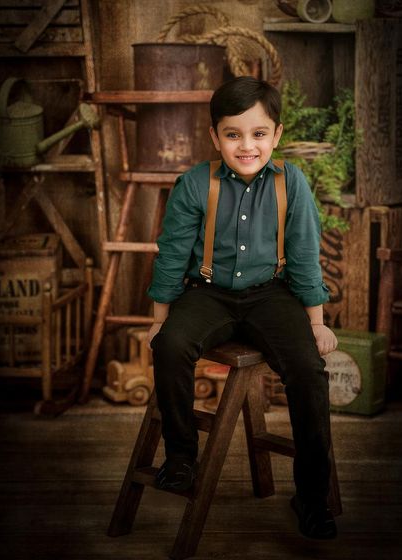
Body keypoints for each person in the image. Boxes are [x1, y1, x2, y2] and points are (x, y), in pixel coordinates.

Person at [147, 76, 338, 540]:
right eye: (233, 134)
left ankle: (312, 496)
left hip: (271, 294)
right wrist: (158, 320)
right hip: (207, 293)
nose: (246, 145)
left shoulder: (292, 182)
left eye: (258, 134)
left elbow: (305, 253)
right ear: (215, 137)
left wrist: (315, 321)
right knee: (170, 346)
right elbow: (172, 254)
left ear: (276, 135)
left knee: (308, 369)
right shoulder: (195, 183)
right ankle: (181, 458)